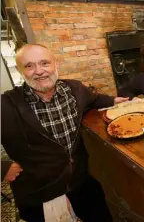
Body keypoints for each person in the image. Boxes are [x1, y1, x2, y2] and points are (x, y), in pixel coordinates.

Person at [1, 44, 129, 222]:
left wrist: (115, 100)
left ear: (56, 64)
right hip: (40, 193)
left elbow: (95, 99)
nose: (39, 71)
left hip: (80, 181)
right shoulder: (5, 105)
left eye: (44, 63)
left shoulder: (75, 89)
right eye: (29, 66)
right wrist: (3, 168)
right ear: (20, 70)